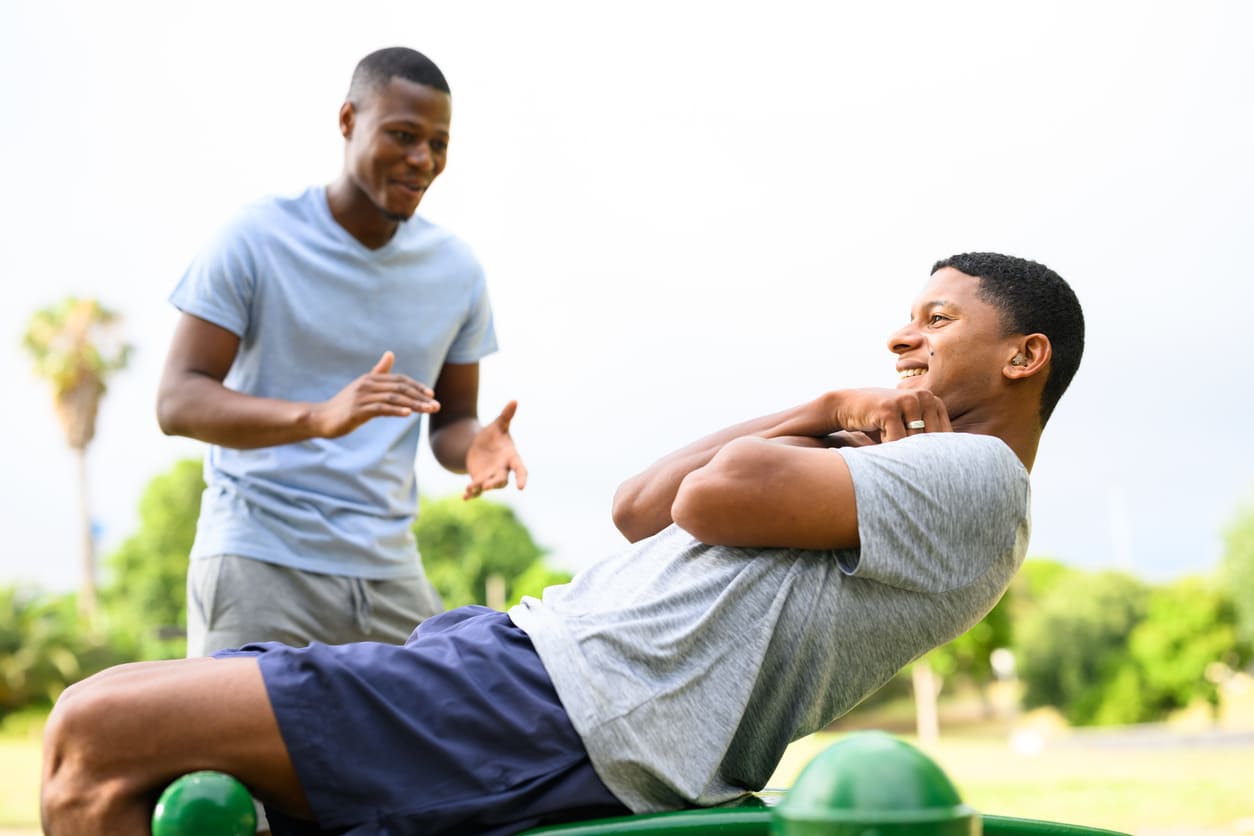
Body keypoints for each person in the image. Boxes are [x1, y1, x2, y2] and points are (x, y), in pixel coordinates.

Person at [43, 253, 1084, 836]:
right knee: (117, 738)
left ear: (1024, 355)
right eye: (905, 319)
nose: (902, 338)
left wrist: (824, 416)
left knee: (95, 732)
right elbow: (641, 505)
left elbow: (718, 493)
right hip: (520, 675)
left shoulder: (979, 474)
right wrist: (823, 405)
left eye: (935, 320)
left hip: (560, 706)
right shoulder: (904, 462)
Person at [155, 47, 526, 657]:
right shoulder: (255, 238)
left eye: (438, 143)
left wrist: (476, 445)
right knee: (241, 751)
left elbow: (450, 422)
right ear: (348, 121)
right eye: (402, 135)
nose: (422, 160)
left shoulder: (456, 270)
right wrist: (317, 417)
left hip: (387, 571)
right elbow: (176, 400)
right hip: (258, 557)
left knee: (446, 737)